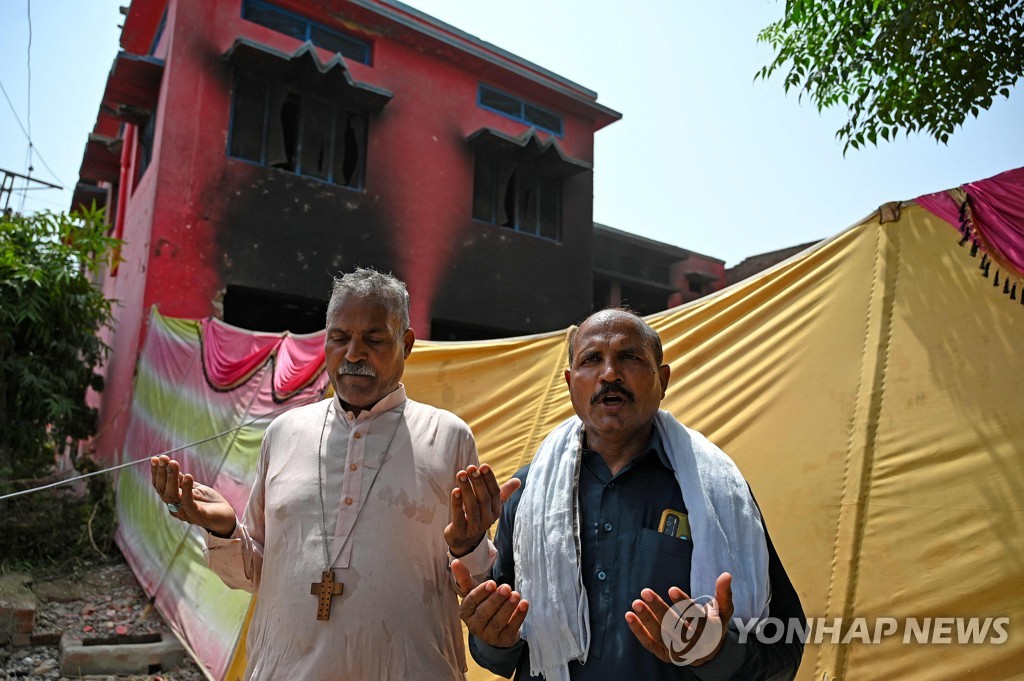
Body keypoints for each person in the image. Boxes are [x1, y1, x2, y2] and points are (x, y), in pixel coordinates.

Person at [151, 268, 513, 681]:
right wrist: (224, 530)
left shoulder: (448, 437)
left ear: (407, 344)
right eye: (339, 338)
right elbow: (251, 574)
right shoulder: (284, 433)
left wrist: (468, 548)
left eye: (373, 339)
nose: (353, 354)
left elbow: (476, 584)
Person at [453, 308, 805, 681]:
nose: (609, 374)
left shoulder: (719, 494)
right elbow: (503, 654)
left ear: (662, 378)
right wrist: (492, 639)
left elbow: (785, 649)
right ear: (570, 382)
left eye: (629, 357)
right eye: (592, 360)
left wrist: (716, 653)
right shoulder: (529, 496)